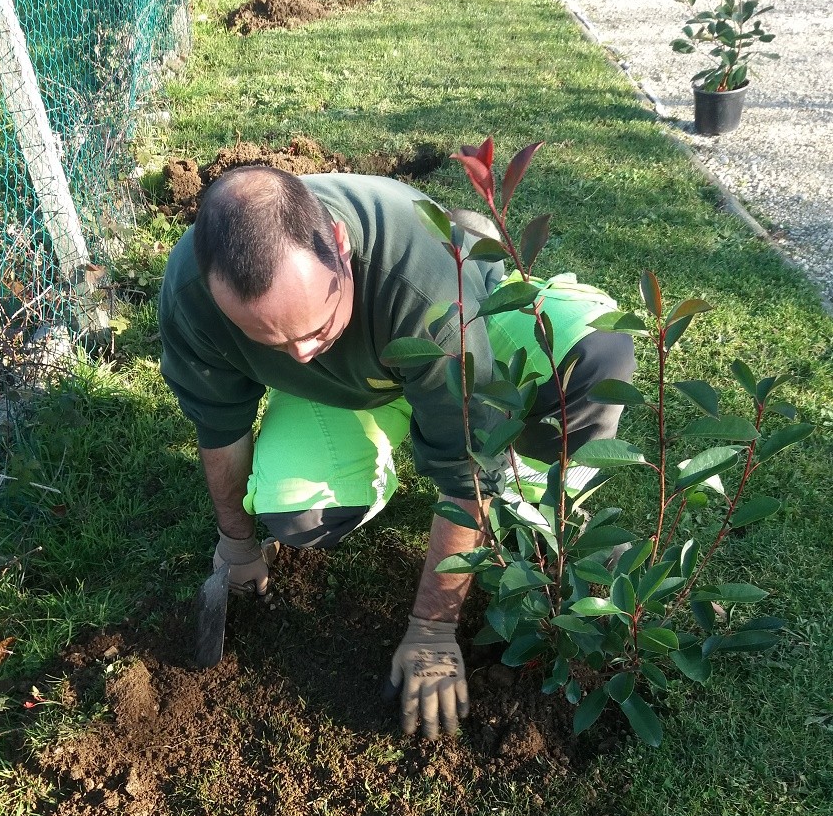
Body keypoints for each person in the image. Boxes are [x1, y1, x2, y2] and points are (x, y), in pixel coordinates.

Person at [158, 166, 634, 739]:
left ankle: (536, 511)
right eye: (273, 340)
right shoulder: (192, 295)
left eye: (316, 327)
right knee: (296, 514)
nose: (302, 353)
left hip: (472, 325)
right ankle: (383, 415)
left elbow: (466, 473)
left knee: (596, 355)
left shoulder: (424, 287)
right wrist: (237, 543)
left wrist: (432, 628)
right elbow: (219, 427)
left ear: (338, 244)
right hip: (352, 387)